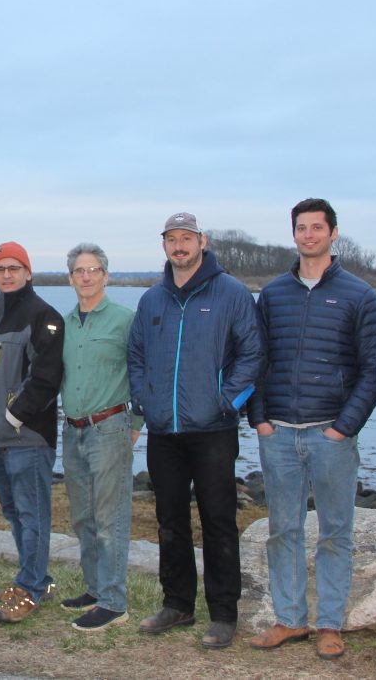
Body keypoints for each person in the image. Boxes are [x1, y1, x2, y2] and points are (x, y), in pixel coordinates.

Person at [247, 198, 376, 659]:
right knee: (282, 529)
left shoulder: (360, 295)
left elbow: (373, 370)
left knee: (335, 532)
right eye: (301, 228)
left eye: (317, 228)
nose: (309, 235)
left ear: (333, 233)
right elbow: (256, 360)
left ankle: (329, 623)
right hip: (279, 433)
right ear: (294, 234)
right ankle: (289, 619)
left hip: (331, 434)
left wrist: (345, 428)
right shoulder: (272, 294)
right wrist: (259, 419)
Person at [127, 211, 263, 649]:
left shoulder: (231, 293)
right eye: (172, 239)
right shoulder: (152, 300)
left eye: (187, 238)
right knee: (169, 519)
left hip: (213, 429)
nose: (179, 246)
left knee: (218, 521)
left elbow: (253, 353)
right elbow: (136, 356)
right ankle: (177, 603)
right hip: (164, 430)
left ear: (202, 242)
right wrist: (144, 400)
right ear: (164, 245)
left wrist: (229, 400)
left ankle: (224, 613)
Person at [0, 241, 64, 624]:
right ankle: (34, 576)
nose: (7, 275)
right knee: (13, 512)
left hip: (27, 437)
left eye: (14, 268)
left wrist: (13, 417)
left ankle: (31, 589)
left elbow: (45, 379)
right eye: (0, 269)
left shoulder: (44, 316)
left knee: (32, 513)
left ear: (28, 273)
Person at [59, 242, 142, 631]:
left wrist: (137, 423)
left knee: (110, 519)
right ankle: (94, 589)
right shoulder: (66, 322)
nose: (86, 276)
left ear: (105, 276)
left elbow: (144, 372)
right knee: (83, 517)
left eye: (93, 270)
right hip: (72, 430)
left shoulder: (125, 320)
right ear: (71, 277)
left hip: (110, 428)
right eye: (79, 270)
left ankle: (114, 601)